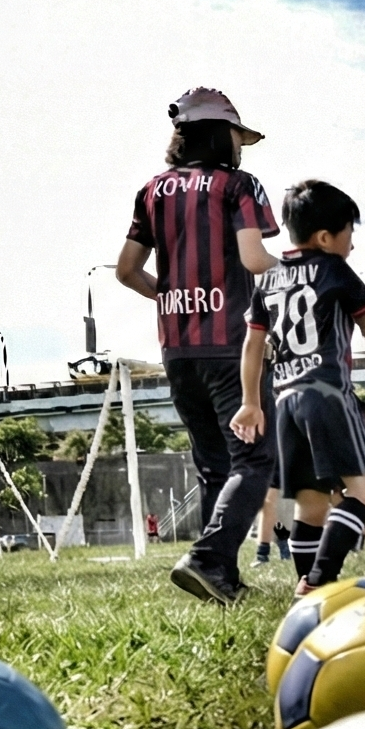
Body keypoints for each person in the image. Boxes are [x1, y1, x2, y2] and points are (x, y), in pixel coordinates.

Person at [117, 87, 279, 605]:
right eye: (237, 136)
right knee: (254, 461)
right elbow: (254, 260)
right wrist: (307, 275)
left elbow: (126, 271)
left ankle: (221, 580)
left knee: (214, 465)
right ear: (220, 133)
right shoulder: (239, 186)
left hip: (177, 349)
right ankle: (209, 559)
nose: (240, 147)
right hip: (232, 344)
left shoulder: (151, 191)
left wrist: (169, 295)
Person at [230, 179, 365, 596]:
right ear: (324, 237)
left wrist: (251, 402)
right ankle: (319, 578)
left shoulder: (268, 279)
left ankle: (311, 597)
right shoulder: (334, 269)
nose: (351, 245)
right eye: (349, 234)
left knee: (311, 504)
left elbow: (252, 346)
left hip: (283, 402)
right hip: (328, 395)